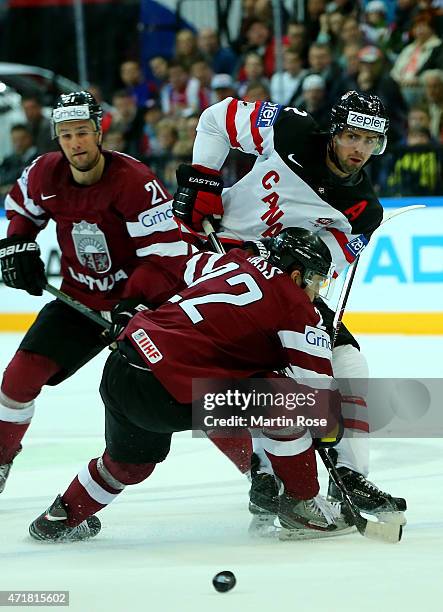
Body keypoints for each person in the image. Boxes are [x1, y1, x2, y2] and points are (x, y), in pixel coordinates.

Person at [171, 90, 407, 523]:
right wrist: (203, 177)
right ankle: (262, 471)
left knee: (349, 363)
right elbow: (214, 118)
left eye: (370, 142)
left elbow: (327, 270)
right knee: (245, 374)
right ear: (334, 130)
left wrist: (299, 289)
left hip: (285, 286)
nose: (360, 149)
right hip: (220, 257)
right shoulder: (290, 129)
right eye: (353, 136)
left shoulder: (364, 210)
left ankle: (350, 476)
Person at [28, 228, 352, 542]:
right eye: (315, 280)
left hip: (123, 365)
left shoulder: (231, 261)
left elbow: (174, 268)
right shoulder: (297, 308)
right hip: (168, 391)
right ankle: (301, 504)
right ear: (295, 274)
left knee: (130, 462)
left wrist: (134, 302)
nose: (316, 292)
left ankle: (61, 516)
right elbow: (319, 398)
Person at [0, 91, 189, 494]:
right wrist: (18, 244)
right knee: (17, 379)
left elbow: (167, 256)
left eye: (82, 132)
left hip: (142, 311)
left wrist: (134, 299)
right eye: (66, 135)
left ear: (99, 131)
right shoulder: (45, 173)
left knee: (187, 392)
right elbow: (21, 207)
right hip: (78, 301)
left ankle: (258, 468)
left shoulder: (135, 180)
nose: (75, 143)